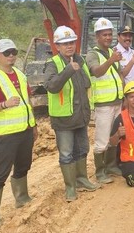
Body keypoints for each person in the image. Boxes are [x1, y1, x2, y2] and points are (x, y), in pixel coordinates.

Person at [0, 39, 37, 230]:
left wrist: (33, 125)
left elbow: (28, 103)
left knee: (23, 166)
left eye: (13, 52)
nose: (11, 55)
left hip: (25, 131)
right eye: (6, 53)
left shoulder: (20, 75)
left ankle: (22, 198)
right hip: (5, 136)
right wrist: (4, 104)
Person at [44, 26, 99, 202]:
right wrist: (68, 70)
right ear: (57, 46)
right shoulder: (53, 63)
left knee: (82, 149)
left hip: (80, 116)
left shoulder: (80, 60)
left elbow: (85, 86)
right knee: (66, 153)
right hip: (64, 119)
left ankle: (82, 179)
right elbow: (52, 86)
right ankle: (70, 187)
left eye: (71, 42)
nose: (69, 46)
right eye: (65, 43)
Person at [86, 17, 125, 184]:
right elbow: (96, 72)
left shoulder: (111, 53)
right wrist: (111, 61)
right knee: (102, 139)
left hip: (117, 102)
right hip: (103, 104)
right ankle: (100, 171)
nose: (108, 37)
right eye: (104, 35)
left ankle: (111, 165)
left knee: (114, 136)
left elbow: (120, 73)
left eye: (110, 34)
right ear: (97, 37)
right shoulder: (92, 54)